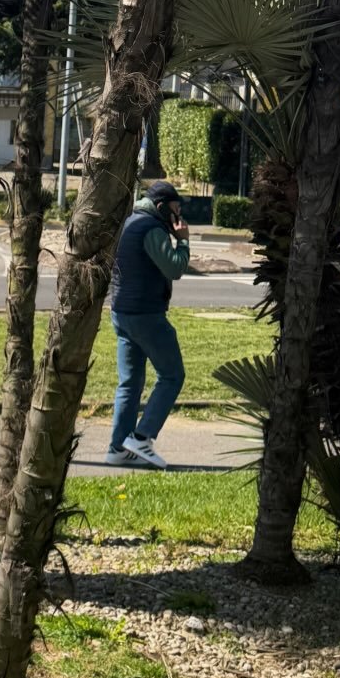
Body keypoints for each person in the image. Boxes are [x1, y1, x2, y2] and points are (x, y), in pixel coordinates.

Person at [105, 180, 191, 471]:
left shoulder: (130, 222)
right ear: (161, 207)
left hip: (121, 312)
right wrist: (183, 241)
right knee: (172, 375)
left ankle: (118, 449)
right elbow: (174, 267)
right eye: (176, 210)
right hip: (146, 314)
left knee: (130, 383)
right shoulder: (152, 228)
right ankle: (141, 438)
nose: (178, 217)